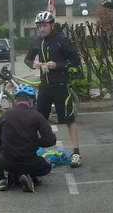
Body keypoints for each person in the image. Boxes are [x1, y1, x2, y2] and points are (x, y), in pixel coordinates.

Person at [24, 11, 83, 168]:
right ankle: (34, 151)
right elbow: (27, 59)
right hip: (45, 85)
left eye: (44, 26)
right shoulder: (38, 41)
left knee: (69, 119)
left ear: (52, 25)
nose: (42, 29)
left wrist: (58, 65)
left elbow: (76, 60)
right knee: (37, 120)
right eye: (39, 26)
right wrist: (33, 64)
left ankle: (76, 153)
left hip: (61, 85)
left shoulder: (62, 40)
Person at [0, 85, 57, 192]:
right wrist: (35, 142)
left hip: (8, 163)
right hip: (31, 163)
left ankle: (1, 179)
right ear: (31, 100)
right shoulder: (37, 116)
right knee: (46, 166)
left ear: (16, 100)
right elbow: (51, 140)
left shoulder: (6, 115)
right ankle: (30, 176)